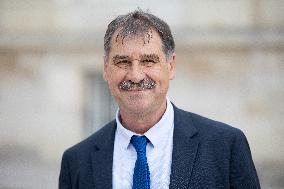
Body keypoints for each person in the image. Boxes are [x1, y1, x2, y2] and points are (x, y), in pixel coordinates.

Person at [59, 10, 261, 189]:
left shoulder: (226, 146)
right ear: (105, 69)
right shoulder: (76, 161)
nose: (136, 75)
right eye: (123, 62)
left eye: (148, 61)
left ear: (170, 66)